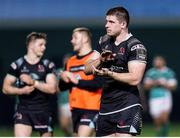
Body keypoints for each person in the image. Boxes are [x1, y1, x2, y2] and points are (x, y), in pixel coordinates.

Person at [85, 6, 147, 137]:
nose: (106, 25)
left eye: (111, 22)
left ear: (123, 24)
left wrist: (110, 74)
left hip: (127, 105)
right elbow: (86, 69)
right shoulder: (103, 41)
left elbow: (135, 78)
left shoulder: (135, 46)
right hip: (106, 106)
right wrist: (100, 60)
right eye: (106, 21)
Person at [2, 32, 57, 137]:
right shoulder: (17, 65)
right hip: (24, 110)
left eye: (45, 45)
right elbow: (5, 88)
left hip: (43, 110)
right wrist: (21, 91)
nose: (44, 47)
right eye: (41, 45)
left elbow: (52, 89)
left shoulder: (47, 65)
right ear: (31, 45)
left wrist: (34, 82)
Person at [58, 27, 103, 137]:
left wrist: (75, 80)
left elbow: (98, 84)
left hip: (92, 108)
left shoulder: (95, 58)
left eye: (75, 37)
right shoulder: (70, 61)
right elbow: (62, 87)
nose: (72, 40)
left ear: (85, 39)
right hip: (75, 108)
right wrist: (64, 78)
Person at [143, 56, 177, 136]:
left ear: (163, 62)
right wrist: (155, 83)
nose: (156, 63)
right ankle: (160, 134)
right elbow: (145, 86)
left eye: (158, 61)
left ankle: (164, 136)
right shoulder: (150, 72)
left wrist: (164, 83)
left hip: (165, 96)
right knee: (157, 119)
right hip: (154, 98)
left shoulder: (168, 72)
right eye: (155, 61)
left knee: (164, 117)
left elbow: (174, 86)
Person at [56, 54, 73, 136]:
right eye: (65, 60)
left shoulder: (74, 71)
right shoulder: (59, 72)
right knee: (64, 126)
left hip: (73, 101)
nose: (66, 62)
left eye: (68, 60)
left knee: (73, 124)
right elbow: (55, 87)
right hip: (63, 102)